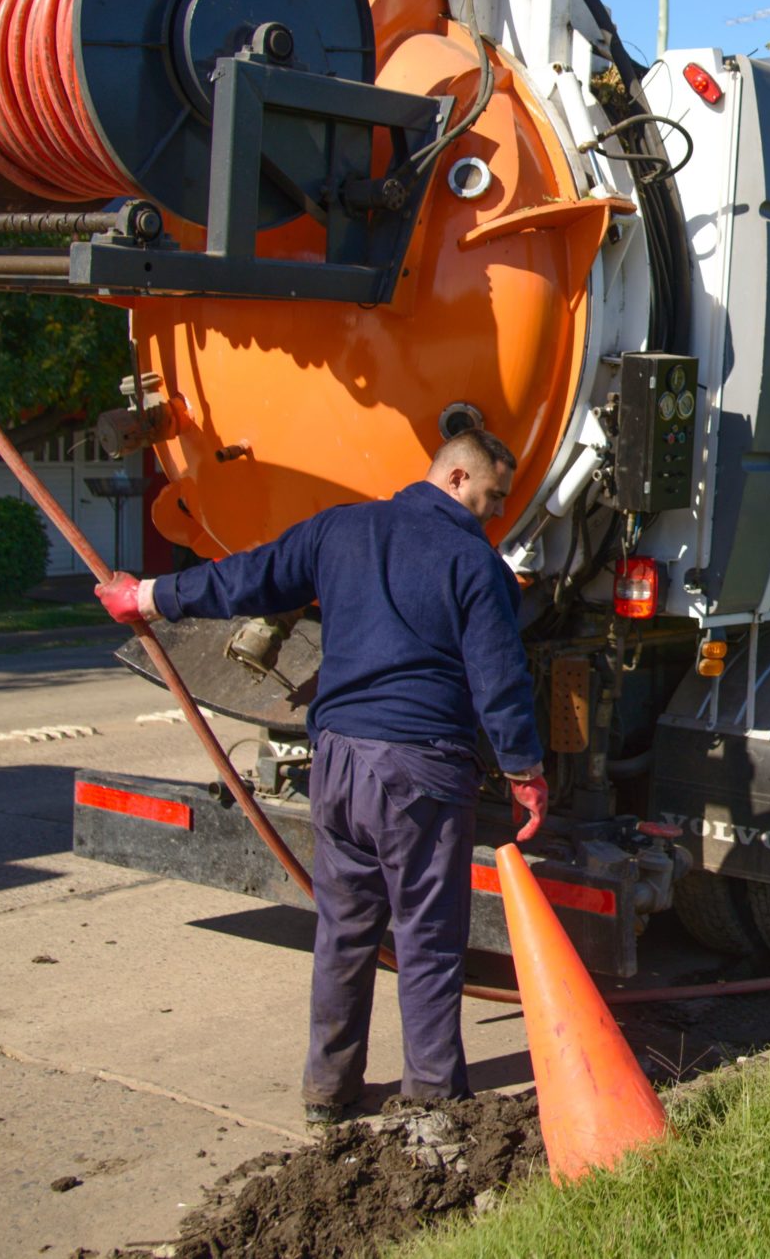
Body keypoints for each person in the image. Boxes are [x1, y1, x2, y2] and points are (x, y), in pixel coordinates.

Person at [95, 430, 547, 1122]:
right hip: (419, 770)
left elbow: (242, 577)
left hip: (337, 763)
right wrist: (524, 770)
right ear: (457, 477)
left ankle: (328, 1092)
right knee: (426, 937)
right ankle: (429, 1099)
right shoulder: (472, 562)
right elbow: (499, 678)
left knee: (344, 929)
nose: (490, 516)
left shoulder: (340, 529)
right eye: (489, 499)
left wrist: (148, 596)